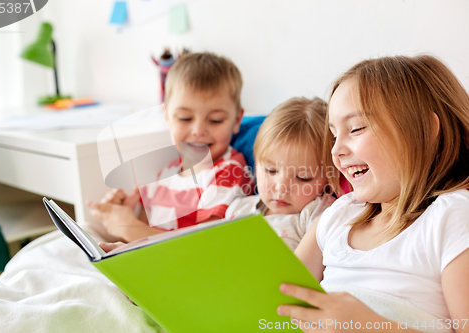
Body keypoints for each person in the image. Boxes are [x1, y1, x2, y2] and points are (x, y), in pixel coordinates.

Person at [277, 55, 469, 331]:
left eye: (356, 129)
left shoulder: (451, 217)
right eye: (334, 135)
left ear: (425, 130)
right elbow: (277, 307)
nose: (336, 150)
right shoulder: (337, 218)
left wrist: (371, 326)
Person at [88, 52, 254, 242]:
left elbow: (203, 246)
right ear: (167, 116)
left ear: (237, 120)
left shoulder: (229, 172)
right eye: (185, 118)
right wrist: (126, 211)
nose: (198, 130)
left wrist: (130, 228)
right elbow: (143, 230)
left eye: (215, 120)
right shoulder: (166, 169)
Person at [225, 97, 335, 251]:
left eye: (303, 178)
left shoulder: (317, 215)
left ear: (329, 179)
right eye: (271, 170)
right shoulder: (238, 209)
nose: (281, 188)